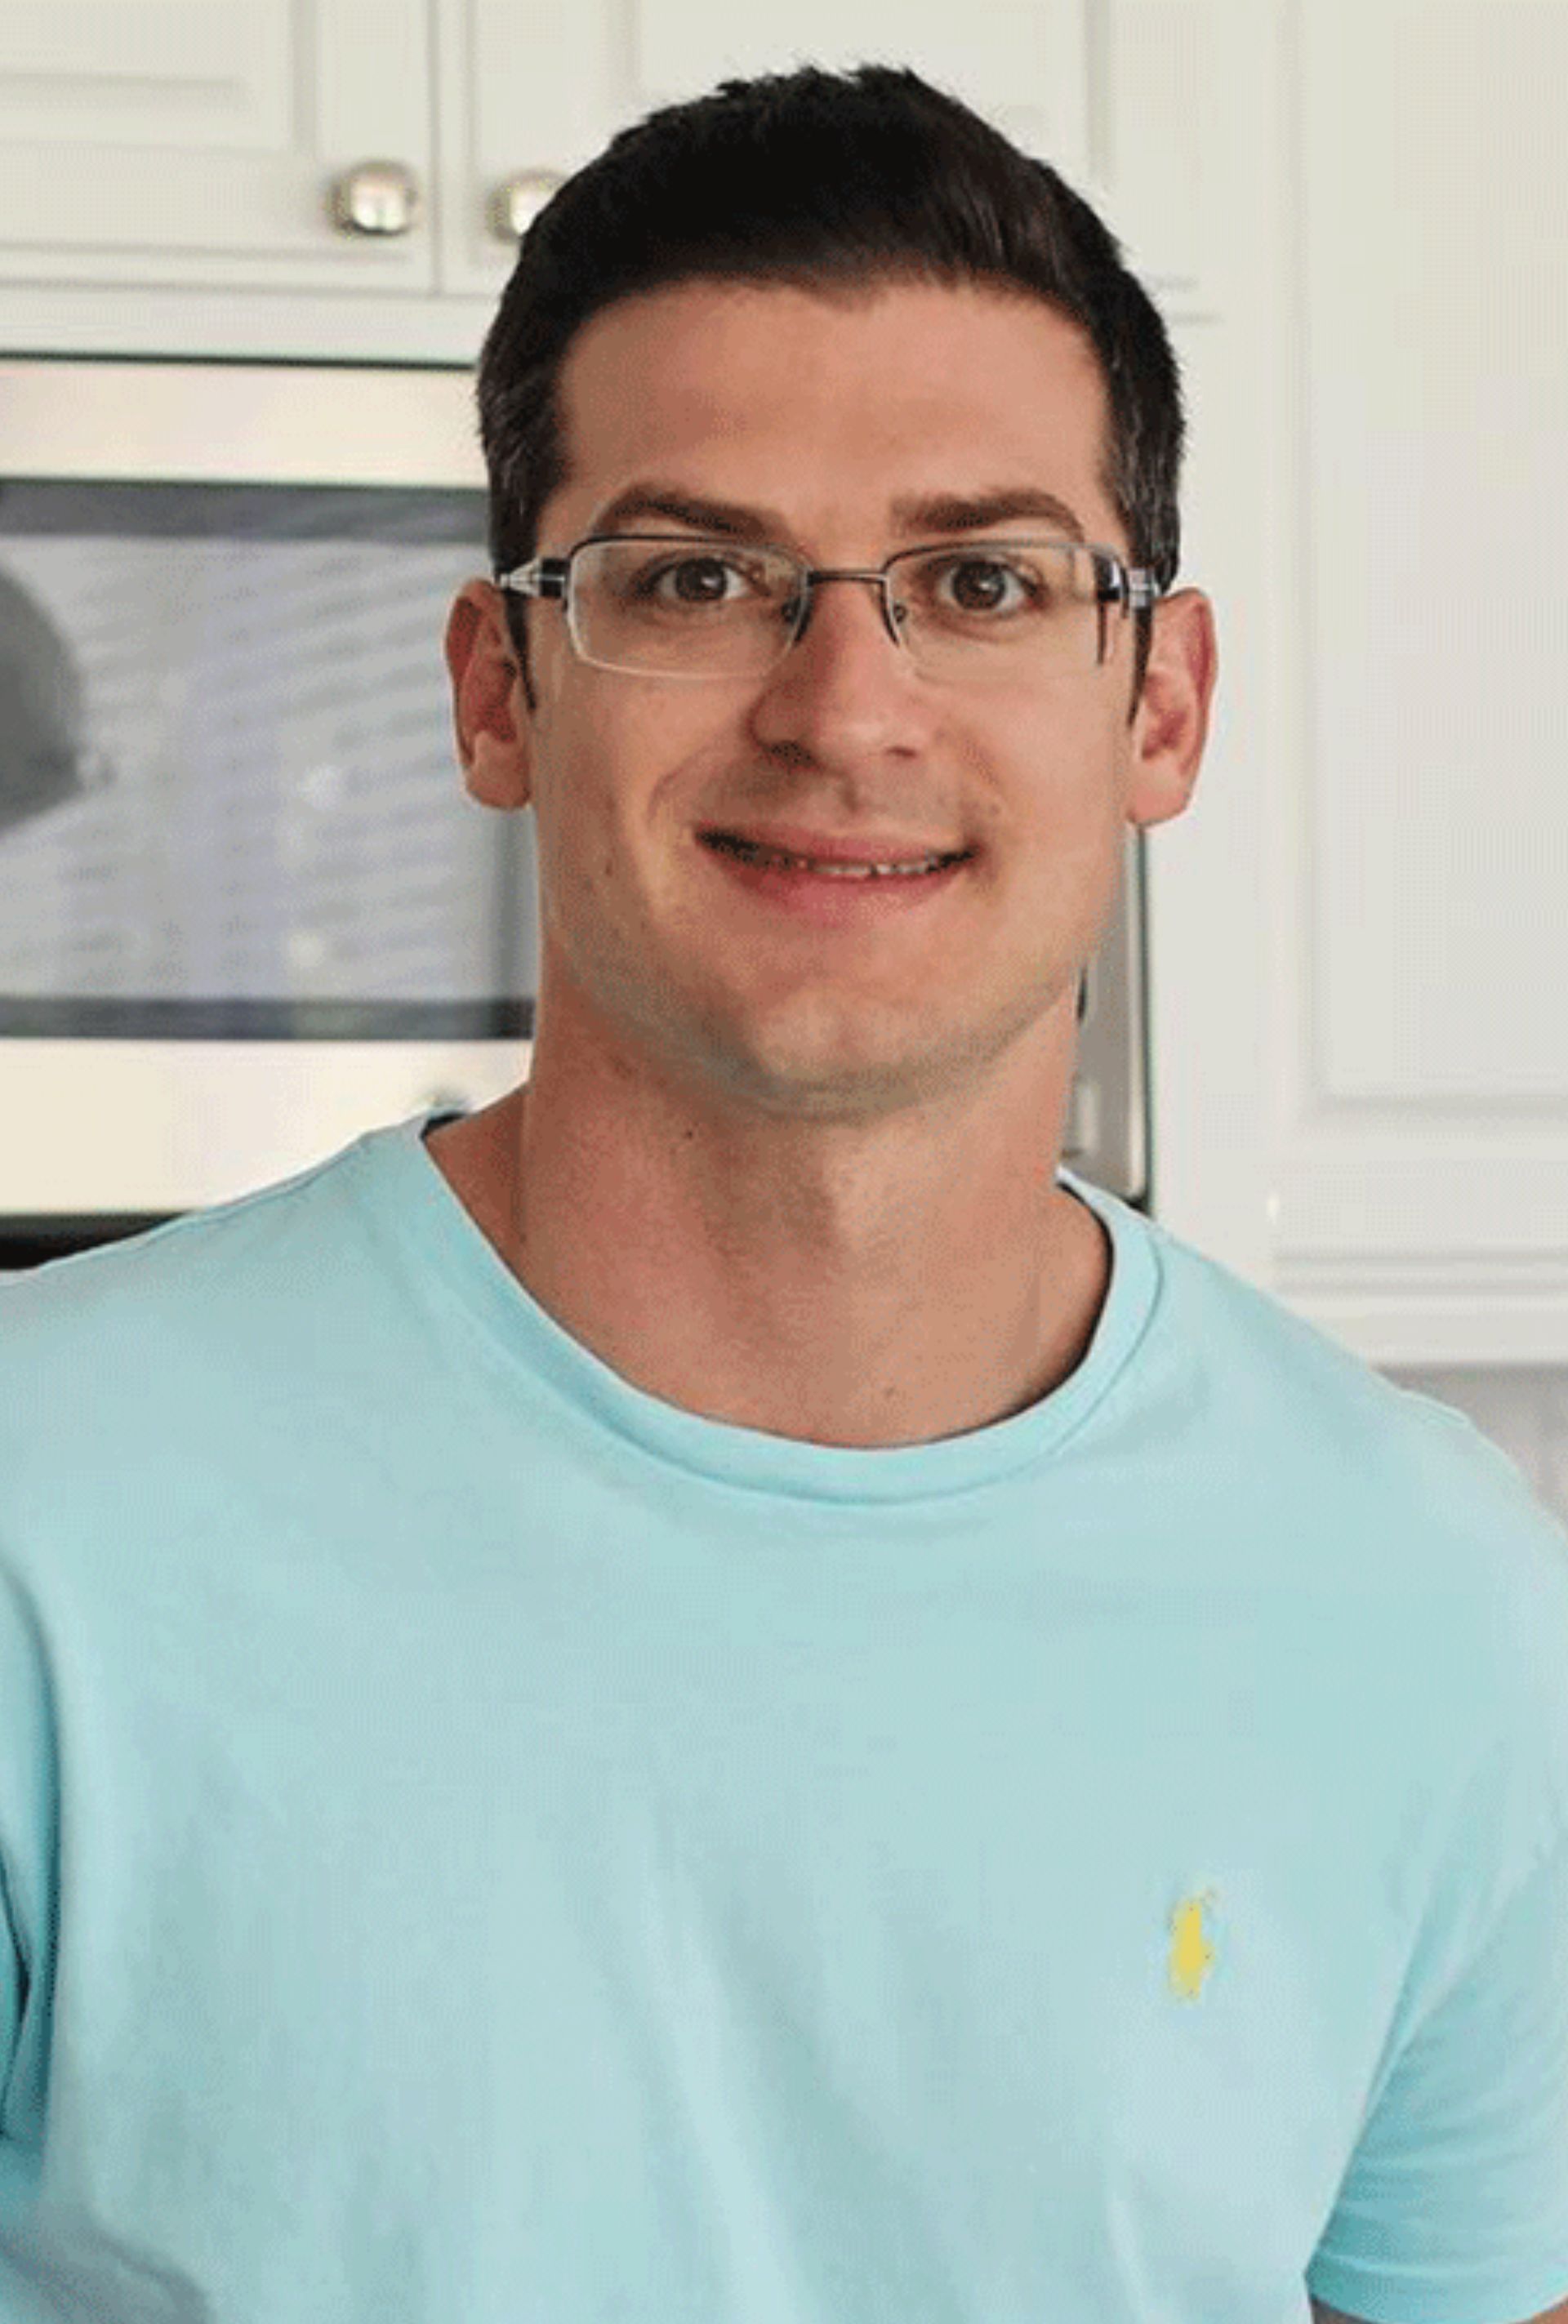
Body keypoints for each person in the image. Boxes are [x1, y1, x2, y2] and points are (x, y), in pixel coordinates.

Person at [2, 61, 1566, 2324]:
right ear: (497, 688)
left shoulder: (1446, 1611)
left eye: (987, 577)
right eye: (699, 574)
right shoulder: (47, 1513)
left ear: (1164, 707)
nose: (849, 704)